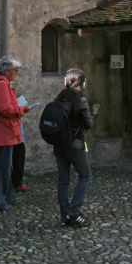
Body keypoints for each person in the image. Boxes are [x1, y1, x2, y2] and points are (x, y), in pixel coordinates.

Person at [0, 55, 30, 212]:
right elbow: (6, 109)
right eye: (15, 70)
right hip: (3, 133)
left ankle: (8, 196)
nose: (16, 73)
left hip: (3, 133)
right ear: (7, 71)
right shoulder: (2, 85)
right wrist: (22, 109)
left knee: (5, 167)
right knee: (2, 170)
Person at [53, 68, 96, 227]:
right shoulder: (80, 99)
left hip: (58, 144)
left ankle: (64, 216)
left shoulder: (60, 97)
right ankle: (74, 212)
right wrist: (94, 115)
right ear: (82, 82)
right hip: (74, 144)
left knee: (63, 180)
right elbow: (88, 124)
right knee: (84, 176)